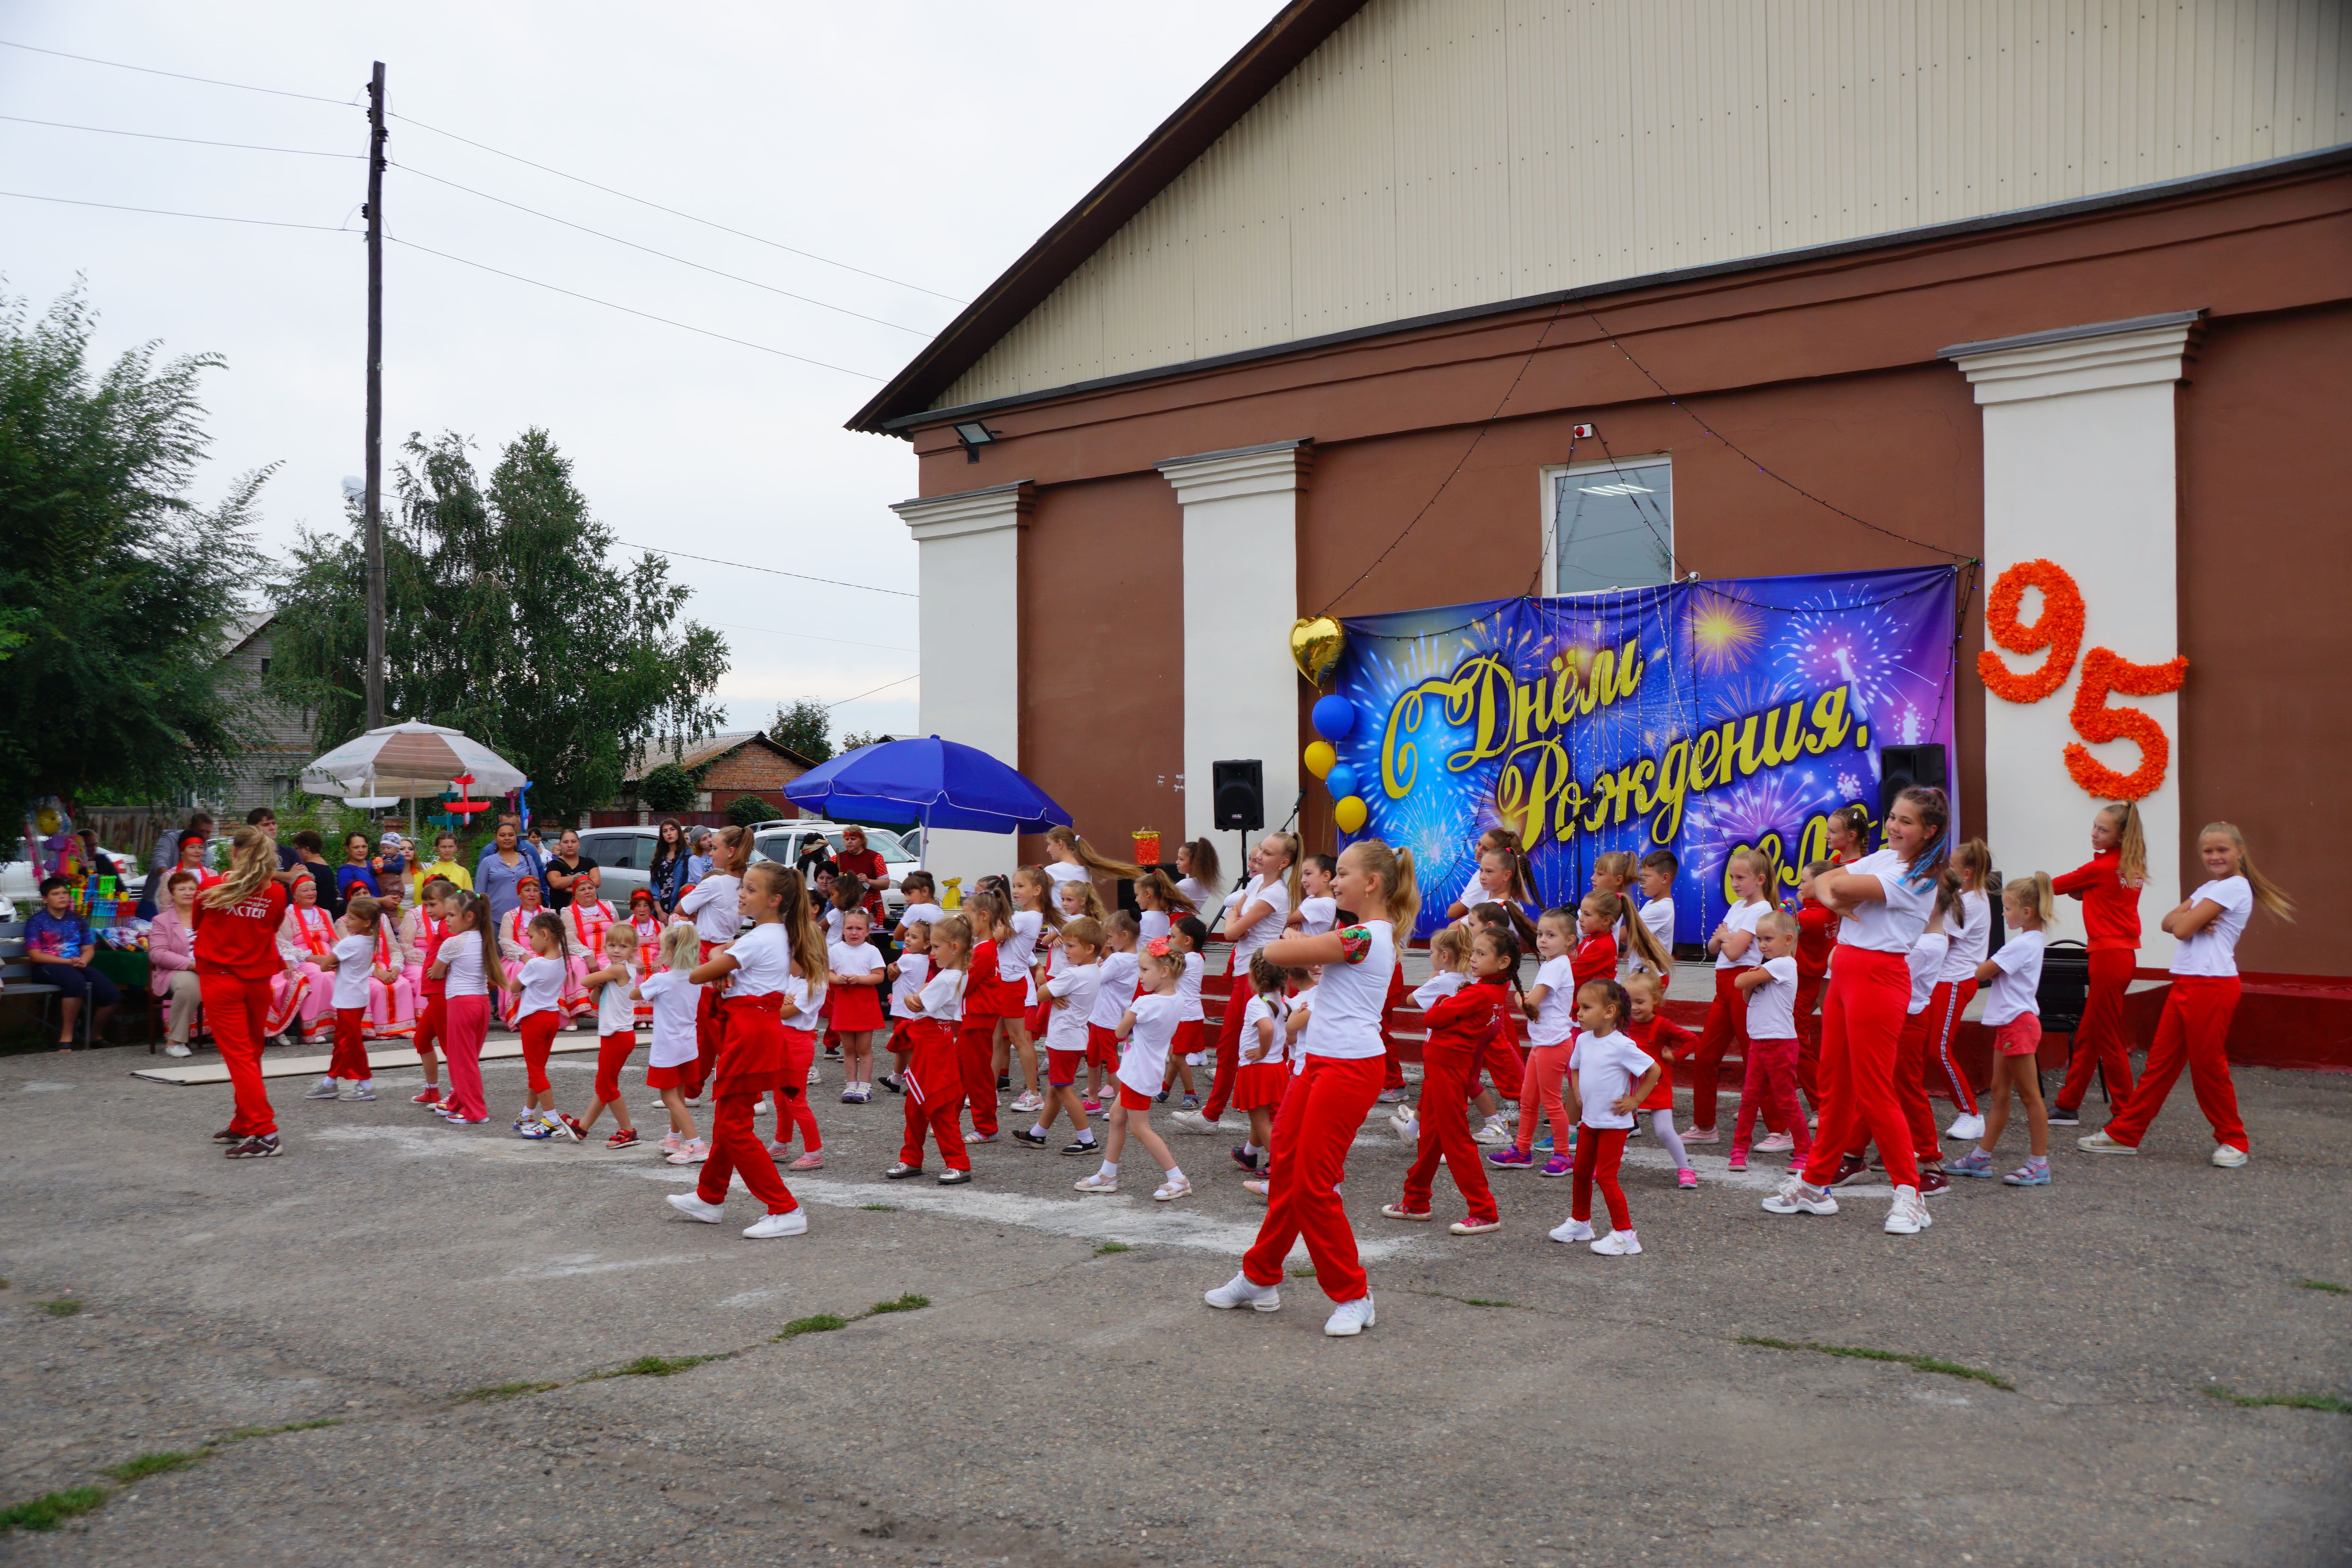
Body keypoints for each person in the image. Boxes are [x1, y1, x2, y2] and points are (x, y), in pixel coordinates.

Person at [1207, 838, 1415, 1337]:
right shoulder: (1355, 933)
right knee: (1287, 1177)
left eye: (1342, 874)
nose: (1333, 880)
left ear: (1372, 883)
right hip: (1319, 1063)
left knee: (1315, 1185)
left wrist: (1290, 930)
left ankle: (1354, 1294)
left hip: (1349, 1069)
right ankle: (1259, 1276)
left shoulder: (1366, 935)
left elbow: (1274, 951)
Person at [1765, 787, 1949, 1235]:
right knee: (1835, 1085)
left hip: (1879, 976)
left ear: (1930, 831)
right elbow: (1827, 880)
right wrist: (1831, 893)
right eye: (1892, 816)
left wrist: (1832, 891)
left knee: (1873, 1090)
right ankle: (1815, 1184)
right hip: (1847, 970)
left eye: (1906, 822)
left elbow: (1838, 883)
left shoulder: (1920, 874)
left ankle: (1911, 1192)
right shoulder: (1887, 858)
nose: (1894, 826)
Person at [2081, 822, 2293, 1167]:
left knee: (2208, 1066)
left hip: (2212, 985)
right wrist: (2190, 918)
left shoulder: (2235, 887)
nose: (2215, 856)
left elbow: (2180, 928)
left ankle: (2234, 1140)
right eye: (2208, 851)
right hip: (2187, 983)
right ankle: (2125, 1135)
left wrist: (2190, 919)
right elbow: (2168, 922)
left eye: (2222, 850)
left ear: (2240, 852)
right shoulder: (2212, 887)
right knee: (2159, 1066)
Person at [666, 862, 813, 1238]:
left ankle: (786, 1208)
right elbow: (719, 969)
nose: (741, 894)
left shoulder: (760, 938)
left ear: (774, 899)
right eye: (743, 887)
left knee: (734, 1127)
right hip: (754, 1030)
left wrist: (719, 962)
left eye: (750, 889)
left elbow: (698, 975)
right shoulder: (772, 934)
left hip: (750, 1034)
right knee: (728, 1123)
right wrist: (725, 960)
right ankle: (709, 1196)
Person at [1386, 926, 1518, 1234]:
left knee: (1456, 1140)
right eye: (1474, 952)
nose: (1473, 959)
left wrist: (1444, 999)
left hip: (1447, 1068)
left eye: (1481, 954)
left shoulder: (1480, 992)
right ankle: (1416, 1200)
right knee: (1431, 1139)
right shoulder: (1488, 990)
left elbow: (1431, 1017)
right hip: (1443, 1067)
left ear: (1502, 963)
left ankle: (1484, 1211)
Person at [1174, 833, 1298, 1136]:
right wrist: (1236, 920)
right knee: (1230, 1047)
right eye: (1261, 852)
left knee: (1268, 1051)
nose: (1258, 858)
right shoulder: (1257, 884)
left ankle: (1276, 1120)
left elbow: (1231, 931)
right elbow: (1234, 914)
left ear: (1284, 863)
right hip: (1248, 972)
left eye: (1267, 854)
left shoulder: (1277, 893)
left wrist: (1236, 922)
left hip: (1263, 976)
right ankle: (1212, 1115)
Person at [194, 830, 293, 1156]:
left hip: (221, 979)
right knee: (251, 1054)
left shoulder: (211, 887)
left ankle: (266, 1132)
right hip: (258, 979)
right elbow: (273, 926)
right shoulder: (277, 893)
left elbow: (197, 922)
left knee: (240, 1058)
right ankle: (244, 1121)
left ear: (234, 852)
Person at [1950, 874, 2054, 1185]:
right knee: (2000, 1093)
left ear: (2027, 912)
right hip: (2011, 1025)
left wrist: (1980, 964)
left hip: (2017, 1025)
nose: (2003, 914)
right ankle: (1981, 1158)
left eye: (2007, 909)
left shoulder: (2021, 944)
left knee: (2029, 1096)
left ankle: (2039, 1163)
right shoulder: (2030, 941)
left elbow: (1983, 971)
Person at [1550, 979, 1664, 1256]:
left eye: (1586, 1007)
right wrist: (1577, 1091)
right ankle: (1580, 1222)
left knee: (1607, 1177)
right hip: (1590, 1121)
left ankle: (1626, 1234)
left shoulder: (1622, 1045)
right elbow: (1574, 1069)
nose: (1578, 1013)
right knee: (1580, 1173)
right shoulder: (1583, 1041)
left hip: (1614, 1124)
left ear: (1609, 1012)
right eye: (1578, 1007)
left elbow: (1654, 1070)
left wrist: (1636, 1101)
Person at [2047, 805, 2145, 1128]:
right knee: (2090, 1033)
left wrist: (2018, 890)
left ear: (2120, 835)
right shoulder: (2129, 865)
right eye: (2094, 826)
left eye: (2103, 830)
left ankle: (2126, 1113)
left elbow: (2053, 886)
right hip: (2121, 956)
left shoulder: (2102, 868)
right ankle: (2068, 1105)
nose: (2094, 833)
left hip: (2107, 957)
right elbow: (2097, 894)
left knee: (2108, 1036)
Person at [1075, 936, 1192, 1201]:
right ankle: (1108, 1174)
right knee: (1117, 1118)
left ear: (1164, 972)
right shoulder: (1178, 999)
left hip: (1138, 1073)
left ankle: (1177, 1178)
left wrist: (1131, 1009)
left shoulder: (1146, 1004)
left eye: (1144, 970)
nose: (1139, 976)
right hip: (1143, 1070)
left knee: (1140, 1128)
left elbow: (1119, 1031)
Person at [1688, 848, 1773, 1143]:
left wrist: (1725, 936)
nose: (1735, 883)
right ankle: (1704, 1126)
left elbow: (1734, 951)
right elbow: (1712, 949)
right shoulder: (1738, 907)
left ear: (1760, 879)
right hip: (1723, 987)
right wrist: (1726, 938)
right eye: (1731, 877)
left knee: (1755, 1056)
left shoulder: (1761, 910)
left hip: (1742, 987)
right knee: (1705, 1056)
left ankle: (1781, 1129)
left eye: (1741, 878)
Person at [1490, 909, 1580, 1174]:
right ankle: (1522, 1150)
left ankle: (1563, 1155)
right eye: (1540, 934)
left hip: (1553, 1045)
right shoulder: (1556, 965)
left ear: (1569, 940)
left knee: (1551, 1102)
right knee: (1529, 1101)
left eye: (1551, 935)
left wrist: (1520, 998)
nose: (1543, 940)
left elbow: (1530, 1005)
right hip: (1545, 1043)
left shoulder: (1555, 967)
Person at [889, 914, 973, 1183]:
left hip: (933, 1044)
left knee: (937, 1104)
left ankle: (958, 1162)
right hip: (932, 1041)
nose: (932, 952)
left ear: (955, 948)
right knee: (915, 1104)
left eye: (937, 947)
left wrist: (907, 995)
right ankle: (911, 1158)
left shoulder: (947, 978)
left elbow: (916, 1003)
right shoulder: (954, 974)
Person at [1730, 912, 1813, 1174]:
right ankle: (1739, 1151)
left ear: (1788, 940)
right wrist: (1753, 976)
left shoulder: (1783, 965)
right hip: (1761, 1040)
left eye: (1768, 939)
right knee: (1750, 1098)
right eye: (1759, 940)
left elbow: (1739, 980)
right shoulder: (1770, 967)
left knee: (1786, 1099)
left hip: (1779, 1042)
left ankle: (1805, 1152)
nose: (1763, 945)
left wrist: (1752, 974)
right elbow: (1746, 997)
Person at [1017, 915, 1103, 1154]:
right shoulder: (1093, 971)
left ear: (1090, 949)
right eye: (1065, 945)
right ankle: (1038, 1134)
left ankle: (1087, 1140)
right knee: (1055, 1088)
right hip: (1075, 1038)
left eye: (1071, 946)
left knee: (1064, 1089)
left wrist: (1051, 992)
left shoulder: (1072, 975)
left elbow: (1041, 993)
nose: (1065, 951)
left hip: (1064, 1039)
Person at [677, 826, 750, 1100]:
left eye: (715, 848)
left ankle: (746, 1092)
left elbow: (681, 909)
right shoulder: (745, 885)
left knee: (712, 1029)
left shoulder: (715, 883)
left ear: (730, 853)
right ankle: (693, 1090)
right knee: (710, 1029)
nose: (710, 851)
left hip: (708, 953)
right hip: (729, 950)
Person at [1929, 840, 1995, 1139]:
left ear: (1966, 873)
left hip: (1955, 981)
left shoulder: (1973, 903)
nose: (1946, 870)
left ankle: (1971, 1113)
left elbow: (1942, 938)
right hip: (1941, 980)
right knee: (1921, 1049)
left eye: (1951, 866)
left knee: (1939, 1049)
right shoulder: (1964, 897)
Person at [303, 894, 392, 1104]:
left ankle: (365, 1083)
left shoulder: (349, 943)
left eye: (352, 919)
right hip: (358, 997)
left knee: (350, 1043)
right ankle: (330, 1082)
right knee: (343, 1041)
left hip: (348, 999)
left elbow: (325, 965)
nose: (347, 921)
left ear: (366, 922)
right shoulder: (372, 940)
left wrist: (334, 964)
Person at [427, 891, 500, 1126]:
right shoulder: (484, 938)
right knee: (469, 1058)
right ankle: (458, 1101)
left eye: (451, 915)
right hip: (481, 1003)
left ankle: (475, 1111)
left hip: (461, 1003)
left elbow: (436, 973)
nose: (446, 919)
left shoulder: (454, 942)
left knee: (462, 1061)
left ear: (469, 917)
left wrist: (442, 971)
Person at [1228, 949, 1303, 1174]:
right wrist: (1283, 1042)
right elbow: (1288, 1031)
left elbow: (1267, 1028)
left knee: (1261, 1121)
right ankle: (1249, 1155)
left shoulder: (1256, 1003)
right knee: (1261, 1118)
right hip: (1277, 1068)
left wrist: (1261, 1051)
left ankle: (1282, 1168)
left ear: (1253, 975)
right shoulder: (1285, 1002)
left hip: (1258, 1069)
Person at [633, 924, 704, 1158]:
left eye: (662, 951)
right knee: (679, 1094)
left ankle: (695, 1144)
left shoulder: (662, 979)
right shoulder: (695, 978)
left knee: (669, 1097)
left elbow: (635, 995)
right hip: (687, 1045)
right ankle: (674, 1138)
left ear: (671, 955)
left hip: (667, 1047)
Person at [1621, 971, 1697, 1187]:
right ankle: (1606, 1168)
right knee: (1617, 1129)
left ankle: (1685, 1169)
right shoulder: (1624, 1022)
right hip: (1630, 1087)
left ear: (1655, 1000)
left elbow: (1692, 1040)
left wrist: (1674, 1057)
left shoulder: (1662, 1024)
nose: (1634, 1007)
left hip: (1658, 1086)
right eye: (1630, 1002)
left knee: (1664, 1130)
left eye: (1640, 1002)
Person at [505, 913, 577, 1140]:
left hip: (534, 1020)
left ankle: (551, 1119)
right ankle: (527, 1114)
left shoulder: (535, 964)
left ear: (545, 935)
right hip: (551, 1019)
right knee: (538, 1070)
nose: (530, 942)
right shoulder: (563, 961)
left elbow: (515, 987)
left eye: (532, 936)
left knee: (536, 1072)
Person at [26, 876, 119, 1048]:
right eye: (56, 894)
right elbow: (35, 956)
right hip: (46, 967)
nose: (62, 897)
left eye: (65, 893)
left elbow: (89, 948)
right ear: (45, 899)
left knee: (112, 993)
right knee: (76, 982)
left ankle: (94, 1035)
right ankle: (66, 1038)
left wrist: (83, 961)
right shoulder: (36, 921)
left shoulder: (77, 919)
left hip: (76, 965)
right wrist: (69, 962)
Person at [955, 890, 1007, 1144]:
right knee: (960, 1071)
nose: (964, 923)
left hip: (978, 1017)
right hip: (975, 1017)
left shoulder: (984, 951)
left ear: (984, 917)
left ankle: (987, 1127)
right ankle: (950, 1119)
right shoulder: (983, 948)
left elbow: (964, 983)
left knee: (977, 1075)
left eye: (968, 917)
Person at [268, 874, 339, 1047]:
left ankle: (341, 1027)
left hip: (328, 959)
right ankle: (313, 1029)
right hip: (304, 960)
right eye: (305, 890)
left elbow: (334, 940)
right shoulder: (288, 914)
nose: (311, 893)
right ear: (295, 895)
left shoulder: (325, 913)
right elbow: (284, 943)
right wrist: (310, 957)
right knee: (321, 975)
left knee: (343, 974)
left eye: (313, 889)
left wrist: (337, 956)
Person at [405, 878, 456, 1106]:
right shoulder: (445, 926)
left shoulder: (449, 927)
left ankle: (459, 1093)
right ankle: (432, 1090)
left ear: (449, 903)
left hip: (441, 994)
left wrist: (441, 969)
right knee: (421, 1040)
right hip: (434, 994)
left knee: (449, 1046)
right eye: (425, 905)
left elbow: (458, 947)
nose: (428, 910)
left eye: (433, 905)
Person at [827, 908, 886, 1103]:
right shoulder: (835, 950)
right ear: (843, 930)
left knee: (864, 1048)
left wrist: (859, 979)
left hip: (864, 1003)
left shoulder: (872, 950)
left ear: (868, 931)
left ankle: (865, 1086)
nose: (854, 932)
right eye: (850, 928)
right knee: (848, 1049)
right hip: (844, 1002)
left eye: (859, 929)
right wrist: (839, 979)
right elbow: (827, 973)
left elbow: (879, 976)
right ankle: (851, 1084)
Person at [1085, 911, 1141, 1112]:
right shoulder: (1134, 957)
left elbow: (1096, 977)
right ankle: (1093, 1100)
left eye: (1109, 937)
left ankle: (1120, 1105)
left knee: (1109, 1060)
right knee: (1094, 1056)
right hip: (1107, 1015)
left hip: (1106, 1017)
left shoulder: (1118, 960)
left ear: (1125, 935)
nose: (1107, 942)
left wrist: (1095, 965)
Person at [148, 869, 205, 1056]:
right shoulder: (162, 921)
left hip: (212, 967)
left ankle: (239, 1040)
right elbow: (158, 954)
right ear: (172, 894)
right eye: (182, 889)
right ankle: (175, 1042)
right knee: (189, 985)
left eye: (192, 889)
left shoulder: (209, 917)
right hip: (177, 970)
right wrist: (192, 964)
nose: (188, 893)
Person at [140, 811, 214, 918]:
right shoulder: (170, 839)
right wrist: (170, 880)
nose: (205, 836)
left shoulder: (207, 852)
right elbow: (159, 860)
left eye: (208, 833)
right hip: (153, 903)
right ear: (190, 827)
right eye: (201, 831)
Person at [474, 814, 544, 926]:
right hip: (494, 920)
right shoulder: (487, 862)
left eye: (511, 835)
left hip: (526, 920)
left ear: (516, 838)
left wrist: (539, 917)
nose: (507, 838)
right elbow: (479, 894)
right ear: (496, 838)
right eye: (502, 835)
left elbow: (537, 891)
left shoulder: (528, 860)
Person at [833, 825, 892, 923]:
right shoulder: (837, 859)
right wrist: (837, 880)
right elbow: (828, 884)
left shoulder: (876, 857)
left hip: (871, 906)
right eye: (847, 839)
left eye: (853, 839)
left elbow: (886, 884)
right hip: (846, 905)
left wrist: (868, 881)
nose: (849, 842)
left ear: (862, 840)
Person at [410, 830, 472, 900]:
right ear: (437, 848)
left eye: (451, 847)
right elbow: (426, 897)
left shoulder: (463, 872)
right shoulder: (430, 871)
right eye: (444, 847)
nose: (447, 850)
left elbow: (469, 896)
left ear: (456, 848)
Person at [542, 828, 592, 911]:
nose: (570, 845)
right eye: (566, 842)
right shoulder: (554, 865)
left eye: (574, 842)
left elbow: (596, 882)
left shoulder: (589, 862)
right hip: (562, 911)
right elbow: (556, 883)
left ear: (579, 844)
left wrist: (569, 888)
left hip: (589, 912)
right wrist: (581, 877)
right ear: (560, 845)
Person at [647, 818, 690, 913]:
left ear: (679, 831)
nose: (669, 834)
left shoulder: (688, 856)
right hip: (660, 908)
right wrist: (659, 911)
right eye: (665, 831)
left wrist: (676, 912)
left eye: (672, 830)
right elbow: (654, 885)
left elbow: (688, 886)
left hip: (680, 908)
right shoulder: (660, 857)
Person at [1173, 837, 1222, 911]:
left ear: (1195, 863)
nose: (1177, 862)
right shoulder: (1205, 884)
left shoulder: (1187, 884)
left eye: (1181, 859)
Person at [336, 831, 380, 903]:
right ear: (347, 849)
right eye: (356, 847)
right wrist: (383, 901)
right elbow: (351, 900)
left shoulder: (373, 865)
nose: (361, 850)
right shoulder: (345, 871)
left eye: (364, 847)